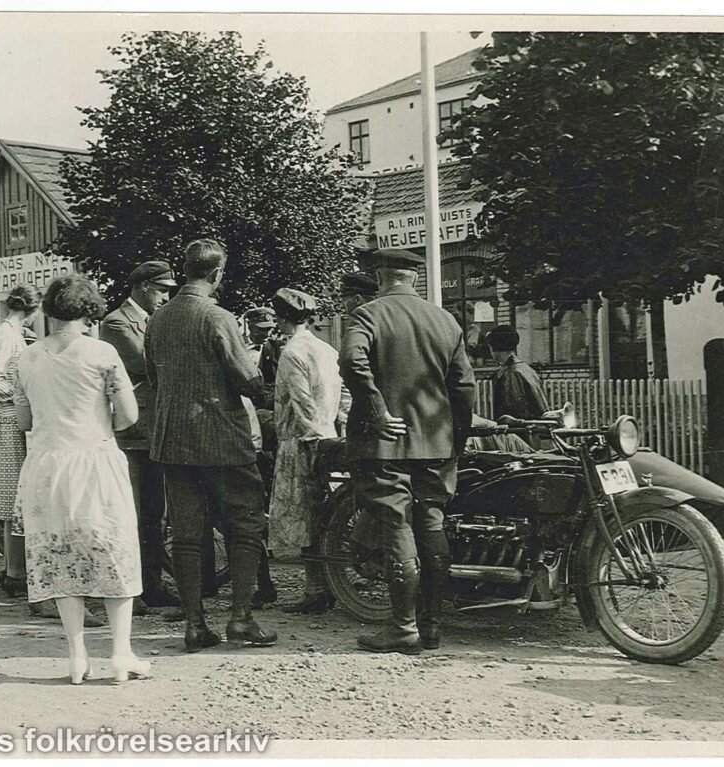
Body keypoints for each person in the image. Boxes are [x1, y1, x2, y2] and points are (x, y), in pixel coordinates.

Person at [13, 274, 149, 684]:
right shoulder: (102, 353)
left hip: (46, 466)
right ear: (89, 312)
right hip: (94, 462)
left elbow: (24, 419)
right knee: (114, 551)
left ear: (50, 312)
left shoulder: (26, 357)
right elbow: (128, 416)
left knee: (60, 557)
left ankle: (76, 656)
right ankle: (121, 653)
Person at [340, 248, 476, 654]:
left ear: (380, 277)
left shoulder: (367, 315)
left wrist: (376, 408)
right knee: (431, 525)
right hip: (435, 443)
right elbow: (464, 387)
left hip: (385, 445)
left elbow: (350, 360)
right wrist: (457, 437)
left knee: (396, 526)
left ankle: (403, 628)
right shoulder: (445, 320)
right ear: (413, 278)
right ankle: (431, 627)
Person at [144, 238, 277, 653]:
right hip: (221, 437)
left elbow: (153, 379)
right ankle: (240, 618)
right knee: (245, 523)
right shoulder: (217, 318)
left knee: (185, 533)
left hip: (171, 439)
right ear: (218, 274)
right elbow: (247, 381)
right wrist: (266, 387)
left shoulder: (157, 319)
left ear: (185, 270)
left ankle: (195, 625)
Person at [99, 260, 181, 610]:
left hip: (156, 429)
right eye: (162, 290)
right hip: (134, 432)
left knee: (154, 513)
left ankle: (151, 585)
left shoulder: (153, 320)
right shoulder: (117, 323)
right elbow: (146, 366)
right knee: (134, 513)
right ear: (144, 286)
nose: (165, 297)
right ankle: (133, 588)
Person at [267, 288, 341, 615]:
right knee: (325, 516)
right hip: (329, 435)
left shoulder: (291, 352)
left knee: (307, 519)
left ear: (281, 317)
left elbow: (300, 401)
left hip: (302, 441)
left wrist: (312, 438)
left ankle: (316, 589)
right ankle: (328, 584)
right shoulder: (325, 348)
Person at [0, 284, 44, 609]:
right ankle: (13, 572)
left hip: (8, 422)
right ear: (33, 308)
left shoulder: (15, 332)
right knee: (11, 500)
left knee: (13, 501)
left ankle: (13, 570)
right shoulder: (6, 334)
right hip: (2, 423)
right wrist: (26, 392)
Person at [336, 271, 379, 431]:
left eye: (344, 300)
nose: (343, 306)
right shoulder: (384, 318)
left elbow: (352, 362)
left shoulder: (361, 322)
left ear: (357, 299)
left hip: (370, 415)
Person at [485, 324, 549, 421]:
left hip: (520, 430)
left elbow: (512, 409)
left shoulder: (510, 373)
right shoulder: (526, 369)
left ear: (494, 348)